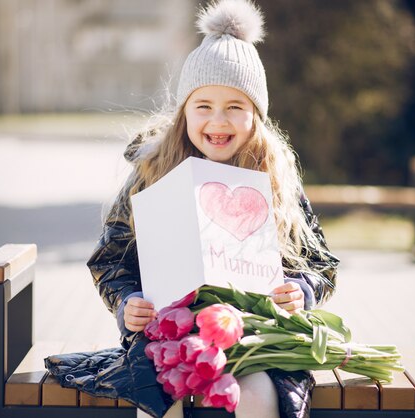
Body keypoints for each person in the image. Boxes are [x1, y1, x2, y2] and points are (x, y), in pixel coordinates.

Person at [86, 1, 339, 417]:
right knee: (155, 399)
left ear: (256, 116)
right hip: (165, 337)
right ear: (183, 110)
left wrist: (303, 290)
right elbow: (109, 258)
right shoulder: (153, 172)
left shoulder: (275, 179)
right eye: (203, 106)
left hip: (252, 340)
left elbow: (321, 262)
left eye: (235, 107)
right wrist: (126, 300)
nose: (217, 121)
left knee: (258, 398)